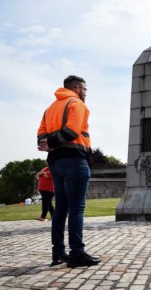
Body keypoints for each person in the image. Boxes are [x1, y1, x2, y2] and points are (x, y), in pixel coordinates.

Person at [37, 75, 100, 268]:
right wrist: (55, 141)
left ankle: (58, 253)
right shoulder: (77, 103)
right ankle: (77, 253)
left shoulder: (50, 108)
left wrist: (49, 143)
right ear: (77, 88)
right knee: (76, 208)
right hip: (74, 159)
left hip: (55, 162)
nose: (86, 93)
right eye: (85, 89)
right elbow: (72, 131)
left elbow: (41, 136)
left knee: (61, 208)